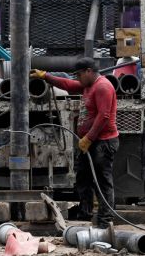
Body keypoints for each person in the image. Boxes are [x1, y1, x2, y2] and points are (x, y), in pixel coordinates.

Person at [31, 57, 119, 228]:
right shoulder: (88, 85)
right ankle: (85, 214)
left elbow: (104, 116)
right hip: (91, 143)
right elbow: (68, 85)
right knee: (83, 179)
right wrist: (45, 76)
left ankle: (105, 220)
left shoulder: (102, 86)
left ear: (88, 71)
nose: (77, 78)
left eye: (79, 74)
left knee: (102, 181)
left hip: (103, 142)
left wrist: (89, 138)